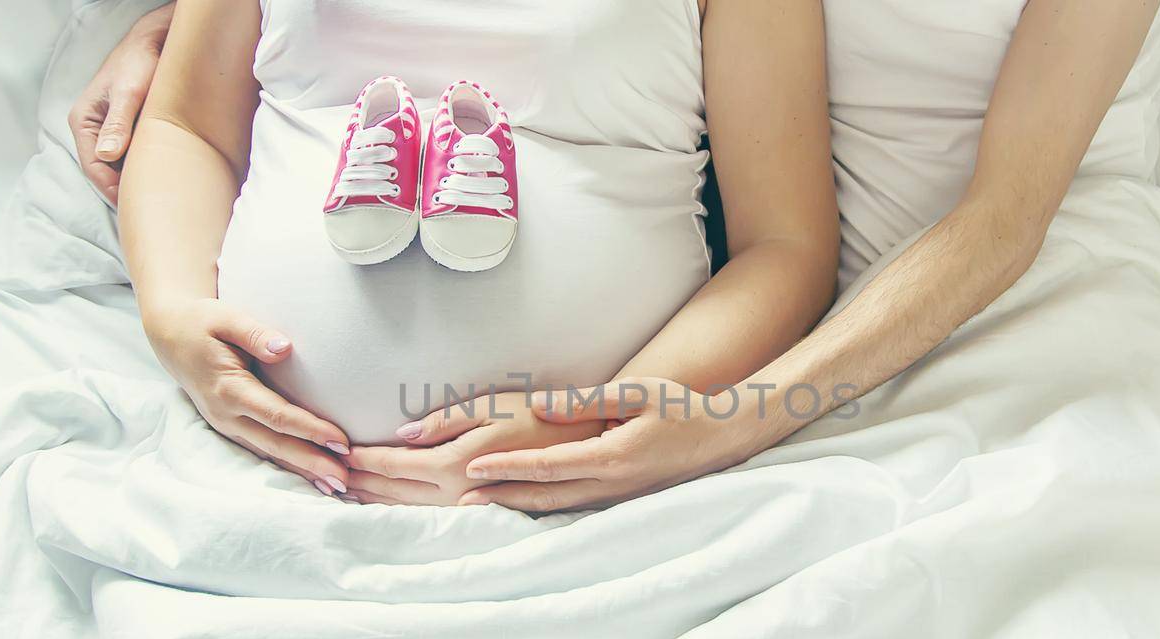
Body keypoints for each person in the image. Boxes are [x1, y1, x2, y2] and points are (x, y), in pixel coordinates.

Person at [95, 0, 839, 503]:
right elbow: (187, 124)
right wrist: (173, 315)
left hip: (595, 496)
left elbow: (785, 246)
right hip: (259, 471)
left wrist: (593, 425)